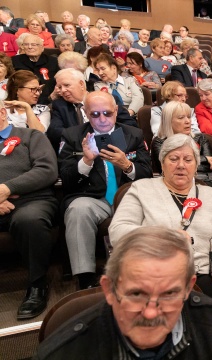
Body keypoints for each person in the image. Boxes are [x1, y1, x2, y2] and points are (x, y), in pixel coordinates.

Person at [34, 226, 212, 359]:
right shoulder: (61, 353)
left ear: (189, 288)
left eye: (169, 294)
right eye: (136, 295)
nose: (151, 313)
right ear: (109, 289)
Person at [111, 133, 212, 298]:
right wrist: (165, 236)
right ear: (162, 163)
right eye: (173, 159)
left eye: (188, 160)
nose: (181, 165)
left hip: (201, 273)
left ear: (196, 166)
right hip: (152, 272)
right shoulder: (141, 189)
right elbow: (118, 231)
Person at [57, 91, 152, 290]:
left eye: (107, 113)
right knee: (77, 210)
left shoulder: (133, 134)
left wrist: (127, 165)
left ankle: (141, 275)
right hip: (92, 198)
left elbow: (147, 175)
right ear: (85, 113)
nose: (102, 119)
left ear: (116, 111)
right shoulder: (72, 136)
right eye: (95, 114)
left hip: (127, 197)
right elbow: (65, 180)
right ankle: (85, 279)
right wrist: (86, 162)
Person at [0, 99, 58, 320]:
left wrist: (7, 188)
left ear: (3, 113)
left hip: (32, 199)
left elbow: (47, 170)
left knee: (29, 220)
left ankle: (37, 285)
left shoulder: (31, 136)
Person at [47, 68, 138, 149]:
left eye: (66, 85)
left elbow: (130, 126)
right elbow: (54, 133)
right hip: (79, 151)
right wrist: (88, 141)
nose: (62, 90)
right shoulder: (60, 106)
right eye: (59, 87)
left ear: (81, 84)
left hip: (112, 146)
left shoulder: (106, 99)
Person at [11, 34, 58, 104]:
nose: (29, 47)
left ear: (42, 48)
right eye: (26, 44)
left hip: (48, 100)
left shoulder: (53, 61)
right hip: (22, 101)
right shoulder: (14, 60)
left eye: (33, 45)